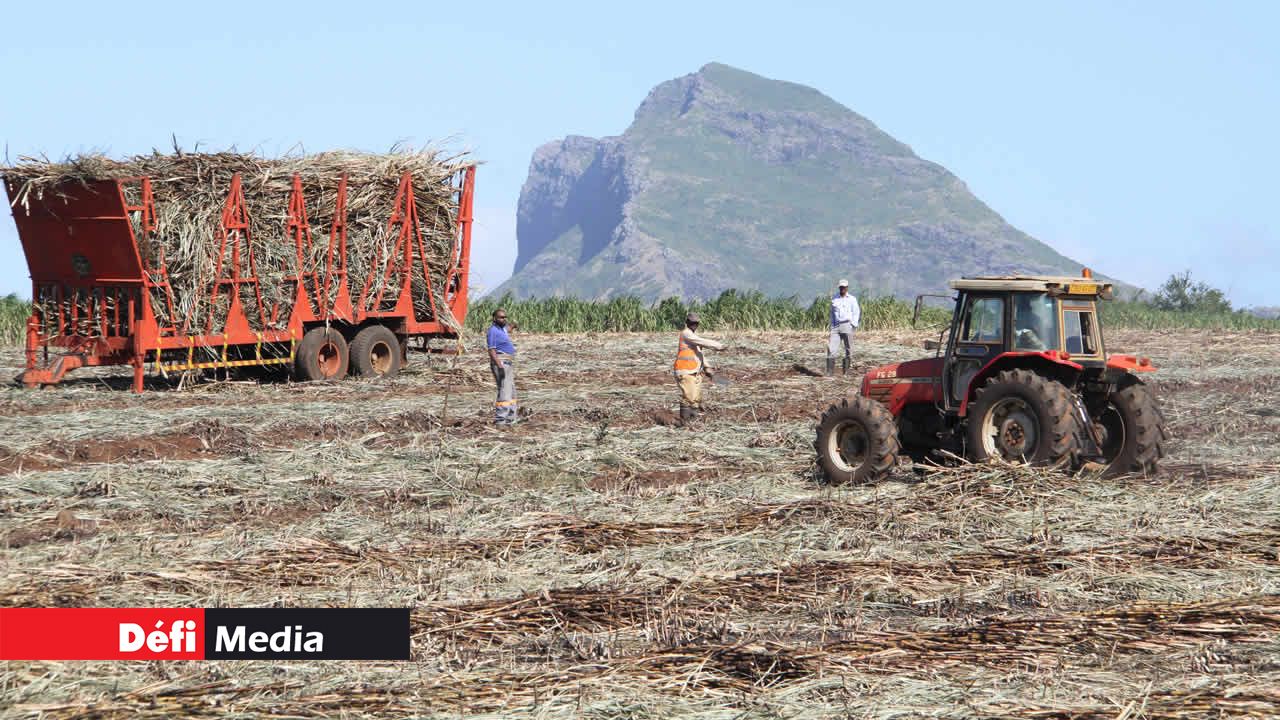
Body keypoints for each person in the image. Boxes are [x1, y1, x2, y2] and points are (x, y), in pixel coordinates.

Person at [673, 312, 725, 422]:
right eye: (692, 322)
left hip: (694, 371)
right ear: (687, 323)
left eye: (695, 323)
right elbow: (703, 342)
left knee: (696, 399)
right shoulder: (686, 334)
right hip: (685, 371)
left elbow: (699, 353)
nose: (694, 325)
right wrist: (719, 346)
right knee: (689, 398)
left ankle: (694, 422)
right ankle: (685, 423)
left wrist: (707, 367)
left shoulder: (693, 337)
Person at [486, 308, 519, 425]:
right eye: (501, 317)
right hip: (501, 363)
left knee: (512, 391)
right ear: (494, 318)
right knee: (504, 391)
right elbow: (491, 350)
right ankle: (501, 420)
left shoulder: (502, 329)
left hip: (508, 363)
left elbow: (508, 329)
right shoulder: (492, 331)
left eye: (505, 317)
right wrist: (499, 365)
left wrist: (514, 325)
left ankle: (511, 418)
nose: (504, 319)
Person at [827, 279, 861, 375]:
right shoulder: (834, 299)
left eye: (844, 287)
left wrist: (853, 325)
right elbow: (832, 314)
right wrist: (832, 325)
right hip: (836, 326)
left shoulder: (852, 299)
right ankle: (829, 373)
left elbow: (856, 312)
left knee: (848, 349)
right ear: (839, 287)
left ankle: (846, 372)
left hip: (847, 325)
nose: (842, 288)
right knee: (831, 348)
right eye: (841, 287)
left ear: (847, 288)